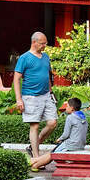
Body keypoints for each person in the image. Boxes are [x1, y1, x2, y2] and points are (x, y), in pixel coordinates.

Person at [13, 30, 57, 160]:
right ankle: (36, 157)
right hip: (30, 96)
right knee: (35, 125)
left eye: (45, 43)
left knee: (52, 123)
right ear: (34, 42)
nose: (44, 46)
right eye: (42, 43)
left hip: (46, 95)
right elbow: (16, 79)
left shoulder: (45, 57)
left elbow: (47, 76)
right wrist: (18, 99)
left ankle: (33, 146)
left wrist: (51, 92)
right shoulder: (24, 58)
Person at [30, 95, 88, 170]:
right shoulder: (83, 118)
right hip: (81, 145)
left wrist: (59, 139)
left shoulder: (70, 117)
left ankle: (34, 164)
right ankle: (34, 162)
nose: (66, 108)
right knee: (53, 152)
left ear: (72, 108)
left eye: (67, 106)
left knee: (52, 154)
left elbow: (66, 134)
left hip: (71, 145)